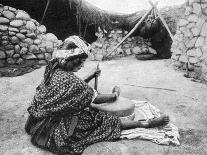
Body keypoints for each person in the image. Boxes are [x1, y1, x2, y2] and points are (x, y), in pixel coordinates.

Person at [25, 35, 169, 155]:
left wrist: (90, 75)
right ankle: (147, 123)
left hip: (37, 122)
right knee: (103, 119)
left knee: (87, 108)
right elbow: (96, 98)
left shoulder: (53, 71)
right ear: (70, 59)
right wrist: (115, 94)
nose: (82, 65)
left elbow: (72, 89)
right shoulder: (71, 81)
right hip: (55, 128)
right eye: (80, 61)